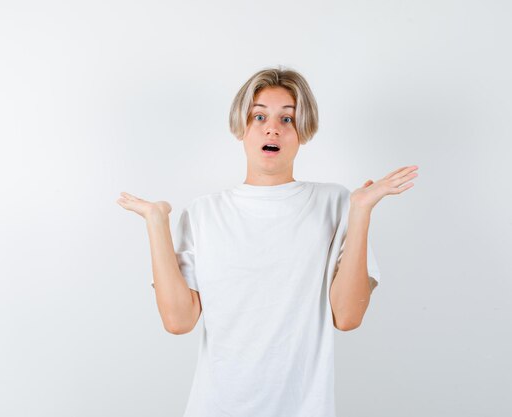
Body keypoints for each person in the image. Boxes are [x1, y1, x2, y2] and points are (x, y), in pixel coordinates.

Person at [116, 66, 418, 417]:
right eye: (259, 116)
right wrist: (157, 223)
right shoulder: (203, 213)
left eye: (287, 119)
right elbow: (178, 321)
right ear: (241, 128)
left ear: (303, 131)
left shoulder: (336, 204)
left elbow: (347, 316)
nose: (272, 127)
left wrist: (362, 210)